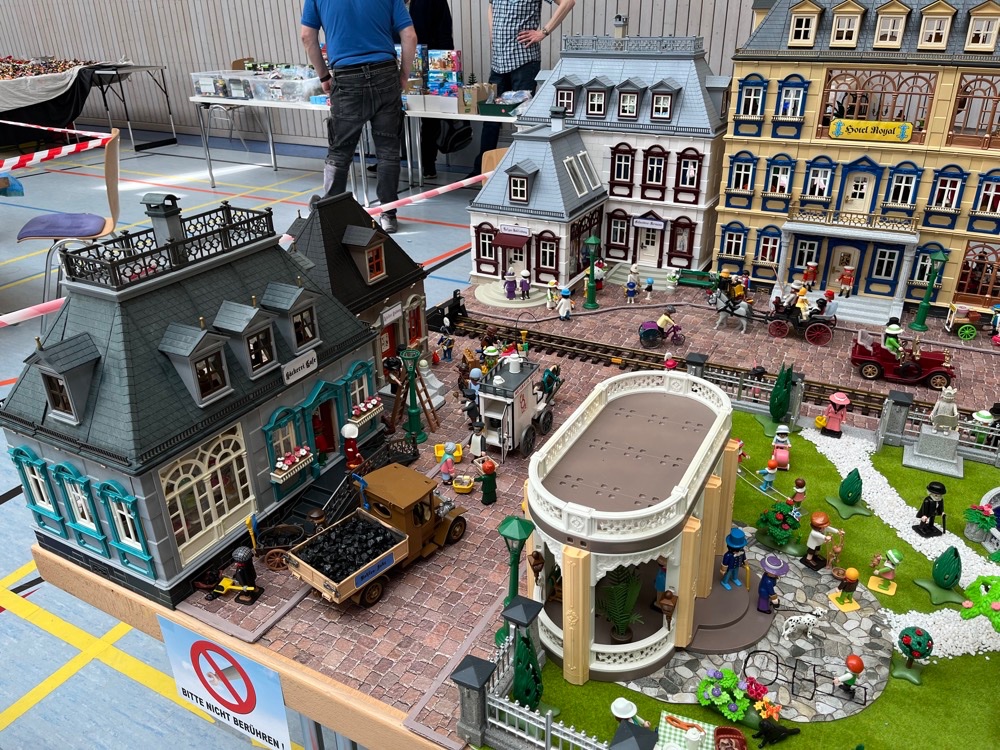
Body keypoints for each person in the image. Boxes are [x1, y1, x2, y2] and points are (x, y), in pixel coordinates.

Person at [301, 0, 416, 234]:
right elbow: (410, 35)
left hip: (347, 76)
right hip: (385, 73)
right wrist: (403, 75)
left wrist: (324, 76)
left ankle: (330, 213)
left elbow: (307, 37)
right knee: (387, 151)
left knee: (340, 151)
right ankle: (388, 214)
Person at [470, 0, 577, 175]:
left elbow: (568, 2)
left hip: (524, 63)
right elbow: (492, 5)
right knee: (490, 120)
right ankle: (480, 171)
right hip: (498, 63)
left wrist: (543, 32)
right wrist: (492, 33)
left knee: (523, 121)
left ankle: (522, 171)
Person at [406, 0, 455, 179]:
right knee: (391, 113)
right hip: (396, 59)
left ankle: (428, 162)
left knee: (430, 114)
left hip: (431, 60)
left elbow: (444, 29)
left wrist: (446, 65)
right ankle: (387, 161)